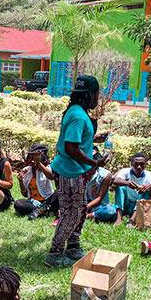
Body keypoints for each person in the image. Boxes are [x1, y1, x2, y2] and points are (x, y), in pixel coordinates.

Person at [45, 75, 110, 268]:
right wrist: (94, 163)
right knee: (71, 213)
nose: (97, 98)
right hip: (69, 172)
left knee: (81, 210)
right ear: (89, 95)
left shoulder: (75, 111)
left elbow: (76, 140)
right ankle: (55, 253)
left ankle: (73, 247)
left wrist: (93, 139)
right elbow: (71, 147)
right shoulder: (79, 116)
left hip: (73, 170)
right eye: (97, 94)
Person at [112, 152, 151, 226]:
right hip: (126, 203)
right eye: (136, 164)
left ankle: (132, 220)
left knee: (145, 191)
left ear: (145, 165)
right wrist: (127, 183)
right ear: (131, 164)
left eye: (142, 164)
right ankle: (119, 218)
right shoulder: (125, 171)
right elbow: (116, 181)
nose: (139, 167)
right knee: (120, 186)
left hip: (139, 207)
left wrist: (150, 187)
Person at [14, 144, 55, 217]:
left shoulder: (47, 168)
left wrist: (39, 163)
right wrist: (21, 182)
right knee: (18, 203)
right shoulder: (26, 171)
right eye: (31, 158)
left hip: (47, 200)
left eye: (35, 158)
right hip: (34, 202)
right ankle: (42, 211)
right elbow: (25, 194)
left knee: (57, 193)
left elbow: (51, 176)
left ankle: (42, 210)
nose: (32, 161)